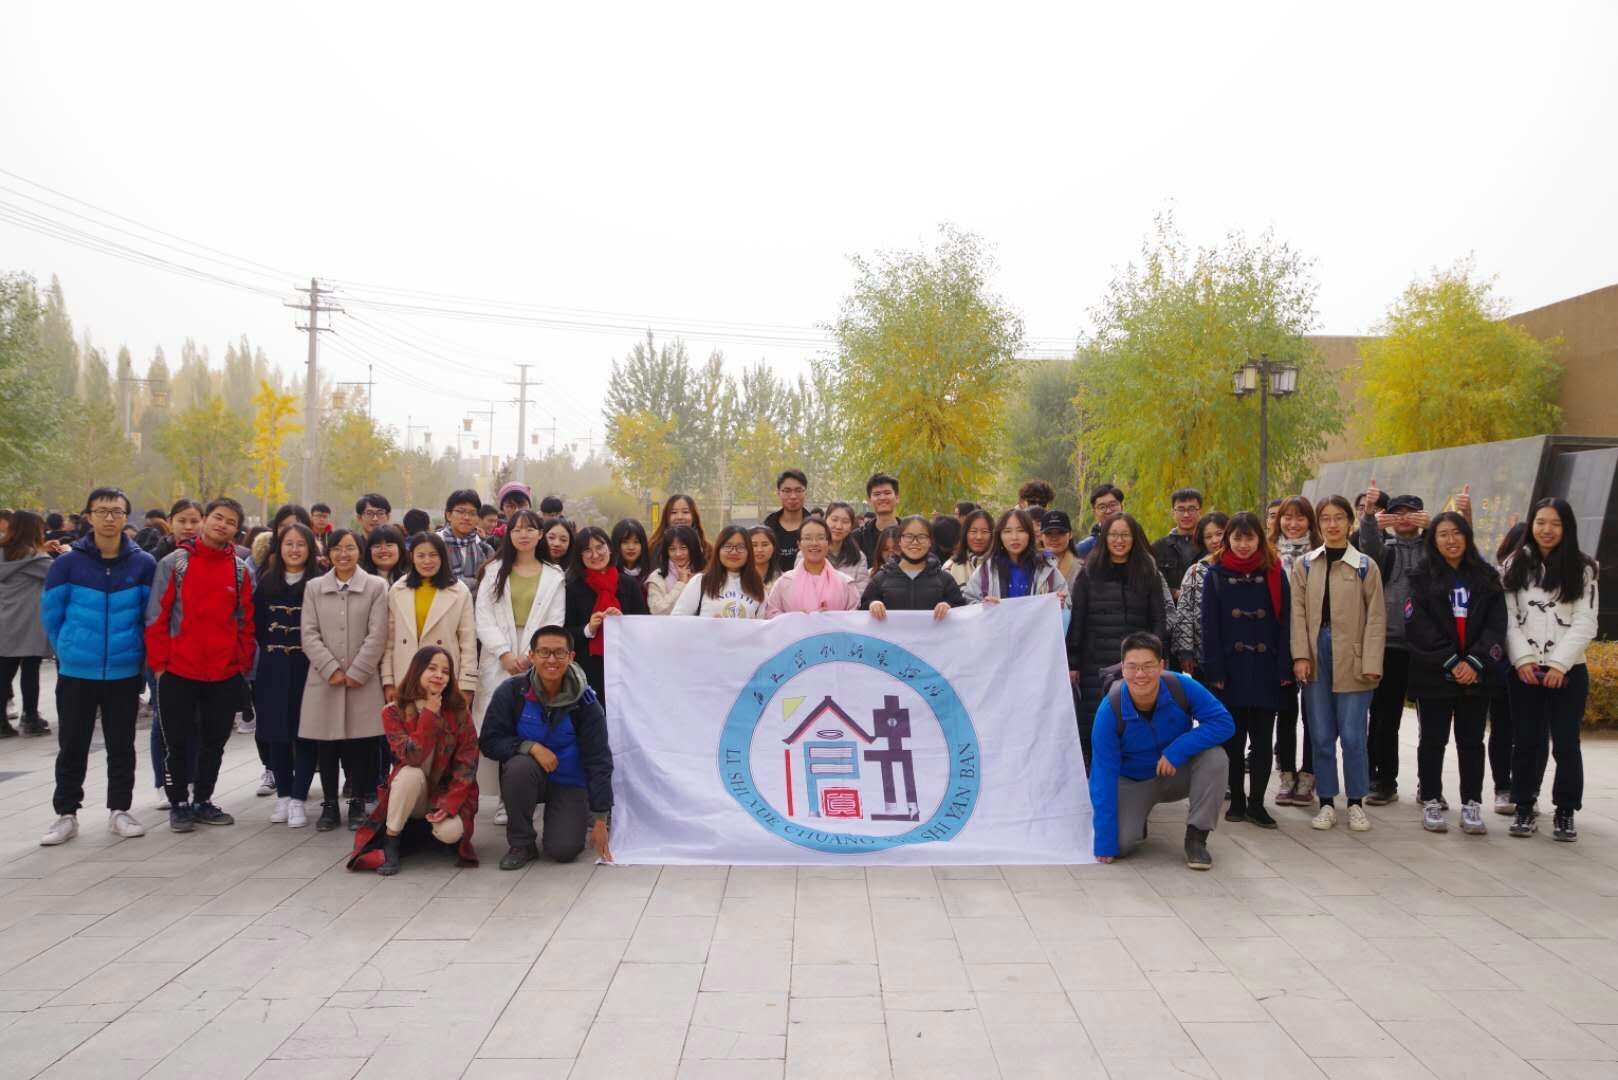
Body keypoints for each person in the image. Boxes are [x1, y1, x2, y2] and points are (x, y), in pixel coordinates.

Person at [37, 490, 156, 845]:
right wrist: (68, 650)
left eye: (116, 512)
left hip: (123, 670)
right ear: (88, 516)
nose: (109, 518)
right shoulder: (67, 564)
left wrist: (137, 655)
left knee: (122, 745)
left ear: (126, 517)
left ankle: (120, 810)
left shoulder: (143, 564)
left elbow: (149, 616)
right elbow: (51, 615)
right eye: (102, 511)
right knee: (72, 744)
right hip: (77, 671)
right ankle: (66, 814)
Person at [144, 497, 256, 833]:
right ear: (205, 519)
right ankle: (178, 803)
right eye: (218, 517)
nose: (223, 525)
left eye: (231, 522)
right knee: (176, 742)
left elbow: (245, 621)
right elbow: (156, 617)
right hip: (178, 671)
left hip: (223, 673)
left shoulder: (239, 570)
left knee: (214, 742)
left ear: (237, 530)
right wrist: (160, 665)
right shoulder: (175, 563)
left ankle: (203, 800)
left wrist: (240, 664)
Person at [1089, 632, 1234, 869]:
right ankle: (1137, 819)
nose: (1140, 674)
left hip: (1175, 771)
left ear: (1161, 666)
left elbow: (1224, 723)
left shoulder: (1181, 686)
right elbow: (1103, 776)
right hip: (1134, 781)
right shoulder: (1110, 710)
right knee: (1119, 845)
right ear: (1123, 668)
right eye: (1133, 667)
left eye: (1148, 666)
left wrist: (1177, 750)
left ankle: (1196, 837)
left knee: (1215, 758)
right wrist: (1104, 841)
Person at [1403, 511, 1507, 836]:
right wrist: (1450, 661)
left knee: (1472, 742)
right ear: (1433, 541)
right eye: (1443, 534)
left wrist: (1474, 662)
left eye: (1457, 533)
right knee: (1432, 740)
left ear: (1467, 536)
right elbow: (1418, 626)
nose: (1451, 540)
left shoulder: (1487, 578)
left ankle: (1472, 803)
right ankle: (1431, 799)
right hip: (1434, 674)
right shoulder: (1420, 578)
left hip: (1476, 676)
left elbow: (1496, 626)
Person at [1502, 497, 1598, 842]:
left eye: (1555, 524)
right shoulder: (1514, 564)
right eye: (1541, 522)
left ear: (1566, 528)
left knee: (1566, 743)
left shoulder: (1583, 568)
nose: (1547, 530)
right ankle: (1524, 805)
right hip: (1524, 671)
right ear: (1532, 524)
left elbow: (1586, 622)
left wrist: (1559, 664)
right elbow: (1508, 618)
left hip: (1568, 671)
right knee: (1526, 741)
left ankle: (1566, 810)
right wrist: (1523, 660)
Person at [480, 626, 614, 870]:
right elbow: (489, 741)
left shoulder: (587, 702)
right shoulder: (512, 692)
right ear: (531, 656)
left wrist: (600, 819)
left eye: (559, 653)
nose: (551, 660)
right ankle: (522, 844)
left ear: (571, 657)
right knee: (518, 768)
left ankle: (575, 813)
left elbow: (599, 759)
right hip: (530, 776)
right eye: (544, 652)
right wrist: (529, 747)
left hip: (570, 782)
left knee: (563, 850)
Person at [1290, 494, 1385, 832]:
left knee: (1353, 735)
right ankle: (1327, 801)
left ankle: (1356, 802)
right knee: (1320, 734)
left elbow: (1376, 617)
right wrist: (1301, 655)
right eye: (1325, 518)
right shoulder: (1305, 564)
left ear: (1350, 521)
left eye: (1338, 518)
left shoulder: (1365, 566)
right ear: (1318, 524)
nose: (1332, 524)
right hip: (1317, 653)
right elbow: (1297, 614)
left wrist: (1372, 661)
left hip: (1354, 656)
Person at [349, 646, 480, 874]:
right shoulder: (393, 712)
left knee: (450, 833)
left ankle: (426, 833)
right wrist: (429, 713)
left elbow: (467, 766)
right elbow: (412, 756)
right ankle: (392, 841)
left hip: (444, 793)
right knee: (409, 773)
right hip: (412, 792)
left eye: (445, 671)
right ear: (417, 670)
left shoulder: (459, 711)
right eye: (432, 668)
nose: (439, 675)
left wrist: (448, 806)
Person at [1200, 511, 1291, 829]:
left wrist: (1284, 667)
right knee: (1233, 741)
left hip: (1267, 669)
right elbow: (1209, 627)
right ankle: (1237, 800)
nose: (1243, 544)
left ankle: (1257, 804)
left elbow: (1286, 622)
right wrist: (1215, 671)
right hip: (1230, 670)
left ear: (1259, 539)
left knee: (1263, 741)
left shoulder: (1274, 572)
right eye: (1237, 538)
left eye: (1249, 537)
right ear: (1228, 540)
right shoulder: (1215, 574)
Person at [474, 508, 565, 822]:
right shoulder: (494, 571)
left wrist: (530, 655)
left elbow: (555, 619)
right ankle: (505, 798)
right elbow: (483, 617)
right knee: (501, 724)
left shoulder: (554, 575)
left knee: (531, 723)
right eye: (517, 529)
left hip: (539, 655)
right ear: (508, 534)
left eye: (530, 529)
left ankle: (529, 796)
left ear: (540, 534)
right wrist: (504, 654)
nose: (523, 534)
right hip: (499, 654)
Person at [300, 527, 390, 832]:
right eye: (337, 548)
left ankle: (357, 804)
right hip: (325, 680)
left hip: (362, 681)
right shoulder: (314, 587)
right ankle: (329, 805)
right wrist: (331, 669)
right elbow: (309, 634)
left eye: (350, 548)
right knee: (326, 744)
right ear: (328, 553)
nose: (343, 554)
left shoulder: (376, 586)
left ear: (359, 552)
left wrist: (358, 670)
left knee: (362, 745)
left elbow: (378, 633)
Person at [1067, 512, 1169, 771]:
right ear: (1104, 537)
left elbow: (1158, 618)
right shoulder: (1088, 573)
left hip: (1136, 663)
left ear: (1134, 538)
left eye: (1125, 535)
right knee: (1096, 725)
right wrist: (1073, 662)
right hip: (1095, 662)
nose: (1119, 540)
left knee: (1134, 724)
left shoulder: (1148, 572)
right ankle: (1097, 784)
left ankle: (1135, 784)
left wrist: (1158, 656)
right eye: (1113, 534)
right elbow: (1077, 620)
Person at [1356, 483, 1430, 805]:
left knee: (1432, 723)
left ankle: (1430, 786)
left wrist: (1435, 526)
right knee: (1384, 717)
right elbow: (1367, 547)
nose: (1403, 518)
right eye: (1397, 513)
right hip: (1388, 644)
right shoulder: (1385, 549)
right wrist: (1370, 517)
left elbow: (1457, 547)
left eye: (1410, 513)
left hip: (1427, 647)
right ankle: (1383, 779)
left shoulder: (1432, 548)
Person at [253, 523, 317, 827]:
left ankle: (298, 799)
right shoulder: (267, 581)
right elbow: (258, 626)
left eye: (301, 544)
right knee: (276, 734)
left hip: (308, 668)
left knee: (305, 734)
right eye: (288, 543)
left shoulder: (318, 582)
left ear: (310, 548)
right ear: (279, 548)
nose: (294, 549)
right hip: (273, 668)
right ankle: (283, 795)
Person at [382, 531, 478, 713]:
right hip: (405, 674)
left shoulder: (459, 591)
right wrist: (388, 681)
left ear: (443, 557)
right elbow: (389, 641)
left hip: (443, 677)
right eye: (421, 555)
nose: (427, 561)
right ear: (412, 557)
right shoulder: (398, 589)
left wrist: (467, 684)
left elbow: (468, 642)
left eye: (433, 555)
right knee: (408, 729)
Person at [1269, 496, 1320, 808]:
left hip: (1313, 641)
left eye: (1300, 518)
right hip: (1279, 642)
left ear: (1310, 521)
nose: (1293, 523)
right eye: (1287, 517)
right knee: (1286, 712)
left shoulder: (1321, 553)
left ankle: (1309, 774)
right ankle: (1287, 773)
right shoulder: (1268, 553)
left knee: (1314, 712)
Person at [564, 526, 649, 699]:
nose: (595, 555)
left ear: (610, 548)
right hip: (588, 667)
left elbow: (645, 625)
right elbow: (565, 632)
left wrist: (623, 622)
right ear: (580, 556)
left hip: (625, 663)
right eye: (587, 550)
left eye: (600, 547)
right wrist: (588, 629)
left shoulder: (629, 584)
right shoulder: (572, 588)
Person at [1486, 522, 1529, 815]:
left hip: (1536, 665)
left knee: (1531, 733)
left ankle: (1527, 789)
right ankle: (1503, 787)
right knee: (1502, 728)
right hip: (1503, 665)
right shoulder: (1497, 578)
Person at [0, 510, 53, 737]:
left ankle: (1, 723)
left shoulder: (2, 553)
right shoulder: (35, 558)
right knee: (30, 669)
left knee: (4, 672)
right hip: (28, 623)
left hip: (4, 621)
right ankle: (30, 717)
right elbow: (56, 573)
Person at [860, 515, 966, 620]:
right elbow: (863, 609)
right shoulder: (880, 579)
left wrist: (949, 606)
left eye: (922, 537)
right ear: (899, 541)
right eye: (908, 536)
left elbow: (962, 611)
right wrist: (872, 604)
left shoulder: (945, 580)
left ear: (930, 541)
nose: (915, 542)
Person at [962, 508, 1066, 603]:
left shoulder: (1046, 568)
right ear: (999, 536)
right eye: (1007, 531)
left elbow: (1067, 604)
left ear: (1030, 534)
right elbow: (968, 600)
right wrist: (983, 605)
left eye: (1021, 530)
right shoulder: (986, 570)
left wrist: (1060, 603)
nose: (1014, 537)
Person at [1170, 512, 1229, 678]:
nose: (1215, 540)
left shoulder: (1245, 568)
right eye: (1208, 537)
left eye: (1219, 533)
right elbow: (1184, 613)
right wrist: (1186, 651)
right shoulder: (1195, 571)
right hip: (1204, 655)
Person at [764, 518, 858, 617]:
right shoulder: (784, 582)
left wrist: (831, 618)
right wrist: (795, 618)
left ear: (828, 543)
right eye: (807, 538)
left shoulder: (845, 583)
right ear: (799, 544)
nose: (814, 543)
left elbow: (854, 618)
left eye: (820, 538)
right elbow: (771, 613)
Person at [679, 524, 770, 618]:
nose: (734, 552)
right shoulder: (700, 582)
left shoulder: (758, 588)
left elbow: (763, 624)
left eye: (741, 547)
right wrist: (707, 624)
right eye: (727, 546)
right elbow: (678, 619)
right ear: (718, 550)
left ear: (749, 552)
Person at [1153, 488, 1204, 599]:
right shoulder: (1158, 547)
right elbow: (1152, 582)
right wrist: (1175, 593)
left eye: (1191, 509)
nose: (1186, 515)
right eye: (1181, 509)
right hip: (1170, 608)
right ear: (1173, 512)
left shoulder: (1208, 545)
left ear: (1200, 511)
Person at [440, 489, 494, 591]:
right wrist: (476, 582)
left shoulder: (483, 548)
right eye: (461, 512)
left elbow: (492, 579)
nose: (466, 517)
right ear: (449, 515)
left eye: (472, 513)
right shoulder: (436, 544)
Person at [646, 524, 705, 615]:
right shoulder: (657, 577)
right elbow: (657, 611)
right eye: (672, 549)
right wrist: (681, 583)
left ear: (693, 548)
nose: (678, 554)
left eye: (683, 548)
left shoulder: (706, 575)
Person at [763, 469, 809, 573]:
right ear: (778, 493)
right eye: (787, 491)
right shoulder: (768, 526)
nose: (793, 496)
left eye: (798, 490)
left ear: (805, 492)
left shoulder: (814, 526)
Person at [852, 473, 900, 564]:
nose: (882, 498)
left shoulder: (909, 533)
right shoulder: (858, 537)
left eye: (887, 493)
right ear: (869, 500)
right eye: (877, 494)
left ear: (897, 498)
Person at [647, 494, 711, 562]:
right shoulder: (653, 548)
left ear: (694, 516)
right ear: (666, 517)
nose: (679, 517)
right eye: (674, 512)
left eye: (685, 512)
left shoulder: (707, 550)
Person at [821, 502, 869, 588]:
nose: (839, 526)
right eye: (834, 520)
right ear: (825, 521)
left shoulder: (859, 557)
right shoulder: (808, 553)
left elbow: (861, 591)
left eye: (845, 522)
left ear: (851, 527)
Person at [945, 509, 994, 589]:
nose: (979, 537)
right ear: (965, 534)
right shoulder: (950, 566)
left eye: (985, 531)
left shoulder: (1001, 565)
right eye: (973, 531)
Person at [1074, 484, 1125, 558]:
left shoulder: (1137, 541)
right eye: (1102, 507)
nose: (1108, 511)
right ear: (1094, 512)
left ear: (1122, 507)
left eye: (1113, 505)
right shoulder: (1083, 549)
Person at [1038, 509, 1082, 590]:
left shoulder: (1081, 570)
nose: (1054, 538)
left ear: (1070, 534)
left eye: (1061, 532)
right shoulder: (1032, 566)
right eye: (1048, 533)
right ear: (1041, 536)